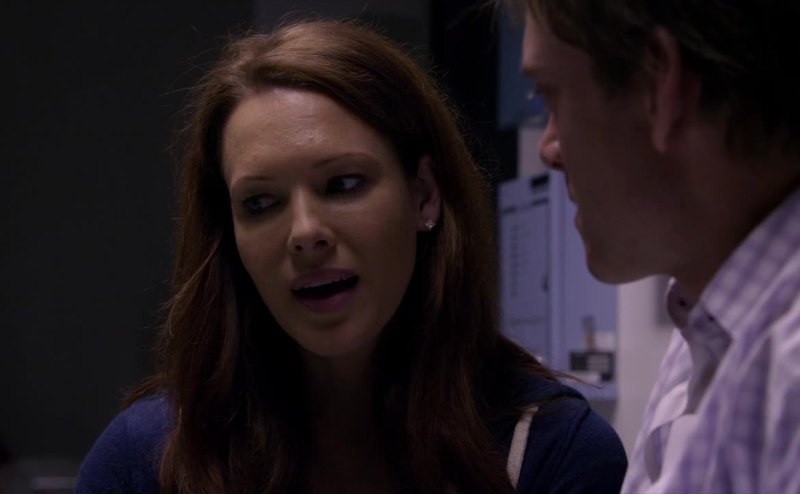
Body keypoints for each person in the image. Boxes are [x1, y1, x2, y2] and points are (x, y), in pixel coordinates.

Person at [75, 19, 626, 494]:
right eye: (260, 203)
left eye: (343, 184)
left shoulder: (553, 453)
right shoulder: (150, 458)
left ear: (423, 195)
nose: (304, 233)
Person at [510, 0, 800, 492]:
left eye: (551, 96)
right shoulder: (704, 336)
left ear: (659, 83)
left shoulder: (787, 366)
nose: (549, 148)